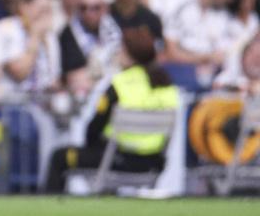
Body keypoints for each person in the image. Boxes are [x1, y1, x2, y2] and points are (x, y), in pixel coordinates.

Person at [45, 27, 180, 193]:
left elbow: (93, 129)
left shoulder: (120, 84)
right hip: (153, 163)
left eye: (122, 49)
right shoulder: (168, 86)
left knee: (59, 158)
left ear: (129, 54)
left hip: (115, 160)